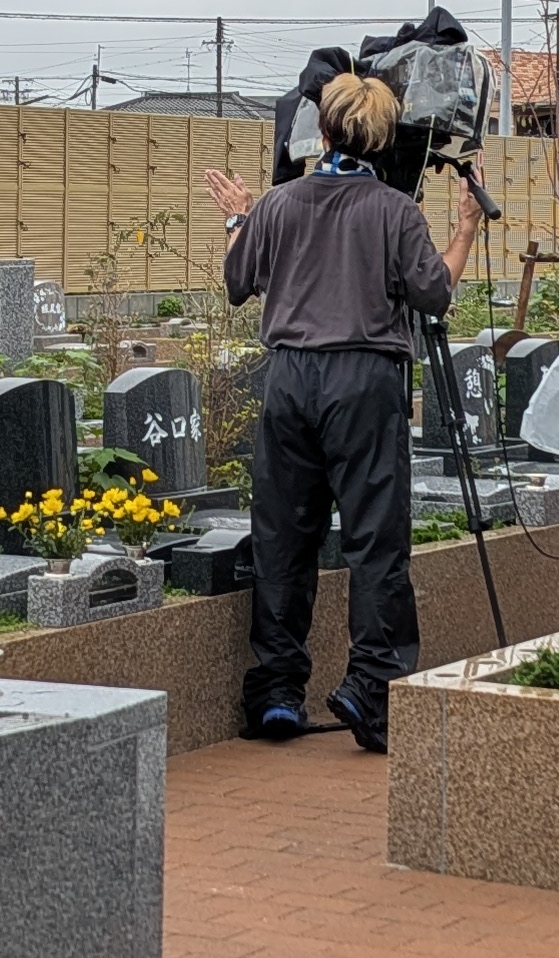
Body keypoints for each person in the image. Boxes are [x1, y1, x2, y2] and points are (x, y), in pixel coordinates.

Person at [200, 71, 482, 752]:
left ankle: (275, 691)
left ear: (320, 131)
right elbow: (434, 295)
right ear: (384, 140)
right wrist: (467, 229)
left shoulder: (279, 203)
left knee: (283, 536)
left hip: (291, 378)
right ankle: (372, 689)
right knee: (375, 540)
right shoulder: (394, 211)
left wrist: (241, 218)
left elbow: (239, 283)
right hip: (365, 378)